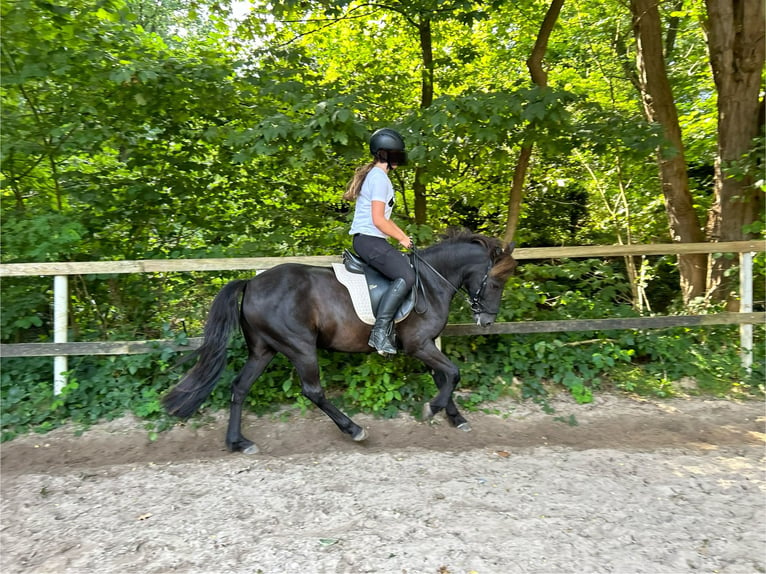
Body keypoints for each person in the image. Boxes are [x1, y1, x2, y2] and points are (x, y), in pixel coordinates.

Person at [343, 128, 416, 355]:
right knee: (407, 276)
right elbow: (377, 220)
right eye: (396, 153)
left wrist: (404, 237)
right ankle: (380, 332)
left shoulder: (375, 176)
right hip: (369, 241)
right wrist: (402, 238)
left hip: (370, 240)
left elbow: (384, 220)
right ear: (384, 154)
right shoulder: (379, 178)